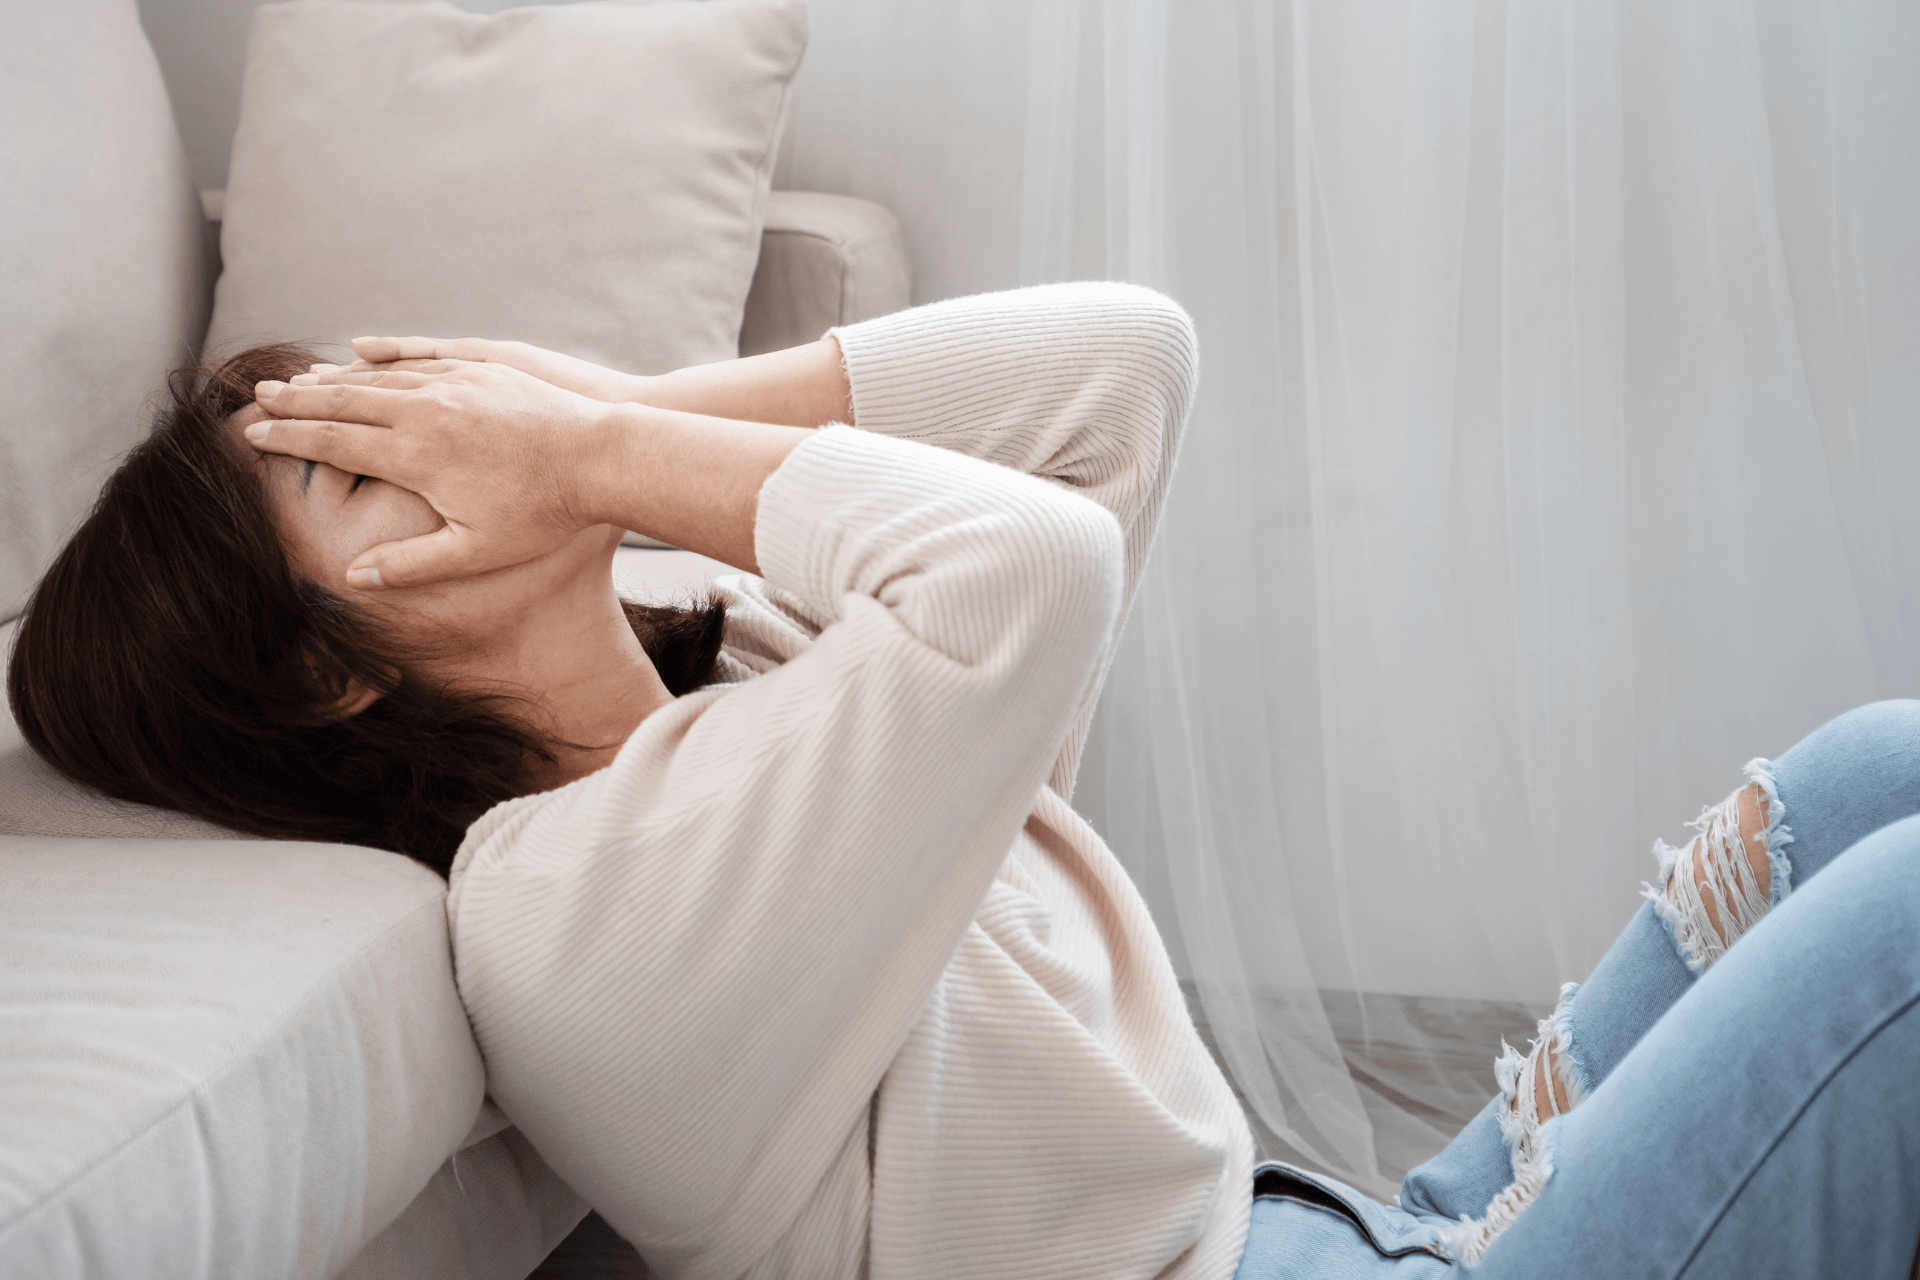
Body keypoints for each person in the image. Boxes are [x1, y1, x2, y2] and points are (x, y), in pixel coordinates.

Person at [9, 284, 1919, 1277]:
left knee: (1866, 777)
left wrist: (609, 416)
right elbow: (1034, 571)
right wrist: (590, 451)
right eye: (368, 468)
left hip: (1361, 1220)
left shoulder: (744, 665)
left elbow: (1121, 368)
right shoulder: (566, 915)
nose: (458, 444)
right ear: (333, 678)